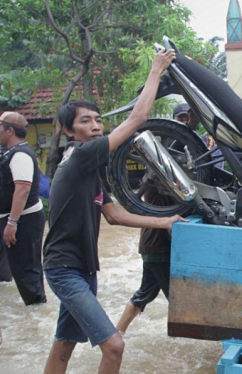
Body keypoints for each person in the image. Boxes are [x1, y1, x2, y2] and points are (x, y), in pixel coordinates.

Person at [42, 49, 183, 374]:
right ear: (68, 131)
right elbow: (136, 120)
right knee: (115, 346)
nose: (95, 126)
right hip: (65, 269)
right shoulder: (80, 155)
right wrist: (156, 70)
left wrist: (164, 221)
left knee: (63, 348)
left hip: (83, 269)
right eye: (85, 121)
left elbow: (114, 215)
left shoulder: (89, 169)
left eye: (97, 120)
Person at [0, 111, 48, 305]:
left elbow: (22, 190)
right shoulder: (9, 152)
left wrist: (12, 222)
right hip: (10, 218)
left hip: (22, 219)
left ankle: (36, 309)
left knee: (26, 268)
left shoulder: (20, 154)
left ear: (9, 130)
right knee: (10, 266)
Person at [115, 188, 172, 335]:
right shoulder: (160, 184)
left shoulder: (153, 184)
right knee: (176, 296)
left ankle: (118, 332)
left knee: (146, 293)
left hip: (152, 244)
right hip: (158, 246)